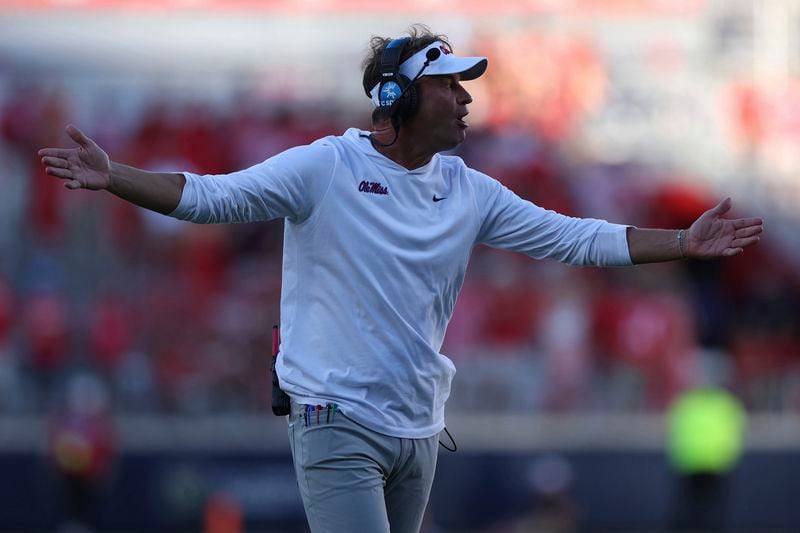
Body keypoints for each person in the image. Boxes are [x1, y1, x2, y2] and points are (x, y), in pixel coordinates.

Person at [38, 25, 763, 533]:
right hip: (333, 418)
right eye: (451, 86)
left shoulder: (468, 188)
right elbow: (210, 196)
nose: (467, 99)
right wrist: (114, 177)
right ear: (398, 101)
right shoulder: (325, 166)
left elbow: (573, 237)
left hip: (418, 427)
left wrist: (684, 241)